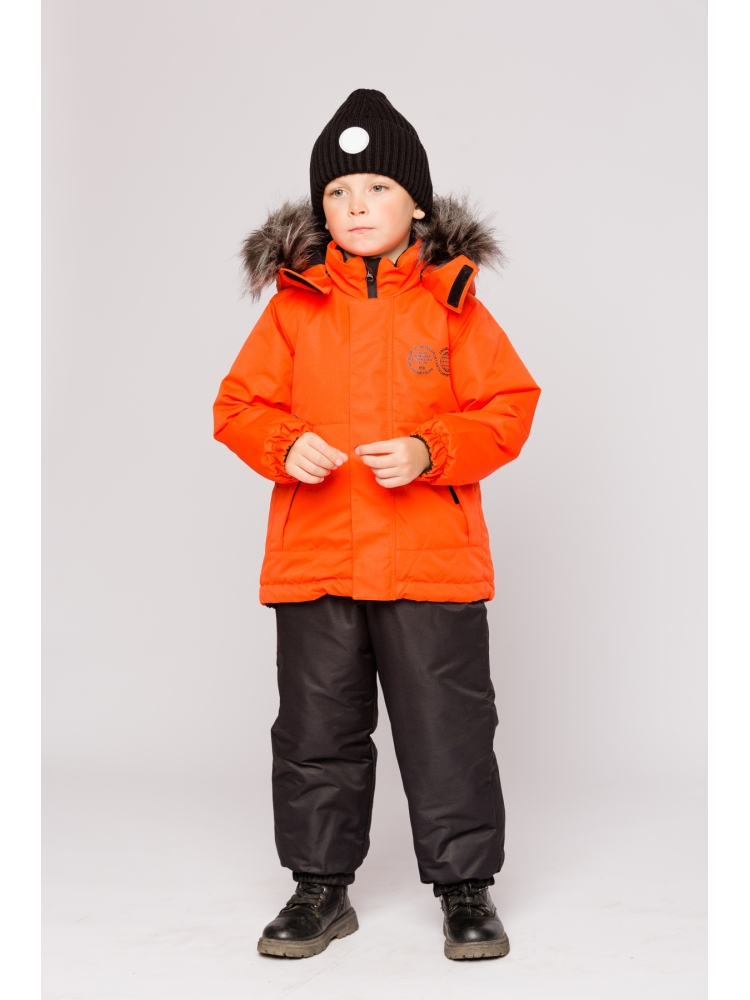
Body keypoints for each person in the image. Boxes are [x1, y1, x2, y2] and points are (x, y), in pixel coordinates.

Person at [213, 89, 540, 961]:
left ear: (417, 205)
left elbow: (509, 407)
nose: (356, 206)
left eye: (377, 189)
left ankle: (465, 889)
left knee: (448, 729)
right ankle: (320, 887)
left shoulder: (451, 304)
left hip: (429, 560)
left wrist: (434, 449)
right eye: (338, 192)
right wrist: (285, 444)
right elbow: (238, 407)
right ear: (320, 209)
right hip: (317, 557)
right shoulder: (293, 309)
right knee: (316, 730)